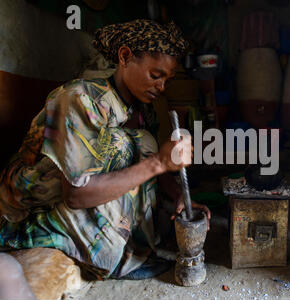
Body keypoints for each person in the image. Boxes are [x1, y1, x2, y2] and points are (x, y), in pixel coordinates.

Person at [0, 19, 211, 281]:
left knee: (142, 142)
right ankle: (112, 257)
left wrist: (179, 194)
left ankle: (134, 243)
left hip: (75, 190)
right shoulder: (80, 98)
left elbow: (153, 168)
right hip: (29, 203)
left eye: (167, 80)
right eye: (155, 76)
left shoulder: (143, 109)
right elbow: (76, 195)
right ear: (124, 57)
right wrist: (158, 162)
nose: (162, 87)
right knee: (121, 145)